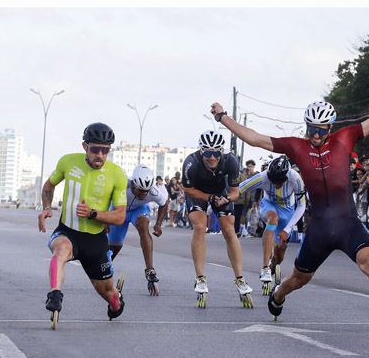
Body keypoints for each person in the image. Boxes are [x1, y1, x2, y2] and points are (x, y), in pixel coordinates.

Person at [211, 83, 369, 331]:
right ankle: (278, 296)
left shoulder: (346, 137)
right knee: (299, 279)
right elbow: (255, 138)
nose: (314, 135)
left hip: (347, 224)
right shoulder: (296, 146)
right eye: (311, 129)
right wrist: (222, 117)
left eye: (320, 130)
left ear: (330, 127)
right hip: (320, 229)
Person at [38, 122, 128, 326]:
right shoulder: (68, 162)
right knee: (60, 250)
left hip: (95, 241)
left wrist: (93, 214)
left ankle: (117, 302)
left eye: (105, 151)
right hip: (67, 231)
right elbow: (49, 186)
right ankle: (55, 294)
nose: (101, 155)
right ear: (84, 146)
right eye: (96, 149)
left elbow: (120, 216)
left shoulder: (117, 174)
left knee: (108, 295)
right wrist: (46, 207)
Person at [181, 130, 253, 308]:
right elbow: (187, 190)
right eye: (207, 153)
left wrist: (227, 199)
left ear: (222, 151)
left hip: (221, 191)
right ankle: (200, 279)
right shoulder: (191, 163)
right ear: (201, 151)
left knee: (229, 230)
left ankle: (240, 279)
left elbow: (236, 192)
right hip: (198, 192)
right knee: (199, 226)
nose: (212, 158)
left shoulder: (231, 161)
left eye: (215, 153)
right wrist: (208, 198)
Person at [239, 155, 306, 295]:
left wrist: (287, 230)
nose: (275, 185)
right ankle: (264, 268)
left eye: (279, 182)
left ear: (287, 177)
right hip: (269, 205)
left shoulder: (296, 179)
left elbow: (301, 207)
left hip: (288, 210)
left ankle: (272, 266)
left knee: (279, 255)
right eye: (273, 181)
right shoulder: (263, 177)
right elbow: (240, 188)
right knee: (273, 219)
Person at [108, 164, 168, 296]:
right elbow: (106, 197)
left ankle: (150, 270)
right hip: (119, 210)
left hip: (138, 211)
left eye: (146, 191)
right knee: (115, 246)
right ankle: (105, 270)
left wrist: (158, 223)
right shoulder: (122, 184)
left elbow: (164, 203)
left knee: (143, 227)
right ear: (134, 184)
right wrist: (105, 219)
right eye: (141, 190)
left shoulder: (153, 191)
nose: (144, 194)